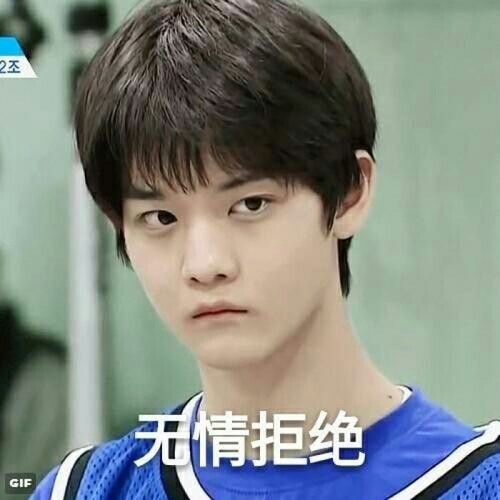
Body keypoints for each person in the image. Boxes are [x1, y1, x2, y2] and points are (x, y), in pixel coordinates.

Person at [32, 0, 499, 498]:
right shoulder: (89, 490)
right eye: (161, 218)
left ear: (350, 192)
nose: (205, 265)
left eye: (250, 205)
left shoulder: (479, 483)